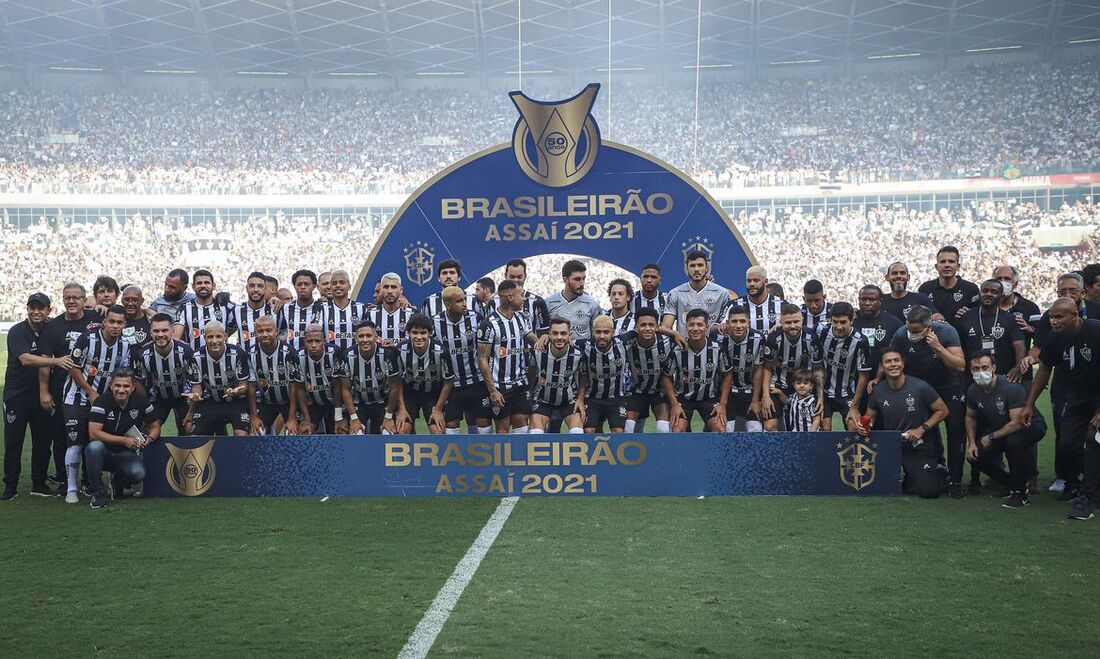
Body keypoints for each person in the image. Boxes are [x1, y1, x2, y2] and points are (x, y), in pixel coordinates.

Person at [1018, 273, 1099, 496]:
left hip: (1097, 393)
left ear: (1075, 315)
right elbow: (1045, 370)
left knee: (1095, 439)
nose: (1054, 321)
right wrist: (1029, 404)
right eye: (1052, 317)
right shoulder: (1054, 336)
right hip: (1074, 395)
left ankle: (1090, 490)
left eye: (1059, 317)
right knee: (1067, 445)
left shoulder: (1095, 330)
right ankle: (1074, 483)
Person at [889, 306, 967, 497]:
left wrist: (938, 347)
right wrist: (878, 378)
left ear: (928, 326)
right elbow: (892, 359)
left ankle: (955, 480)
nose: (911, 334)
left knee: (956, 429)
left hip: (948, 386)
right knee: (923, 430)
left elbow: (960, 365)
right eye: (909, 329)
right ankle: (931, 471)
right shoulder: (901, 334)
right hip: (920, 388)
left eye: (916, 331)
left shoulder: (947, 332)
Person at [3, 293, 71, 500]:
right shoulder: (17, 331)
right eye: (32, 307)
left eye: (41, 308)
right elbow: (25, 359)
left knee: (43, 441)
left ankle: (39, 483)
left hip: (44, 395)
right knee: (14, 442)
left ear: (49, 310)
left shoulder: (52, 329)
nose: (36, 312)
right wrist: (56, 361)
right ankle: (11, 486)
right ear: (27, 309)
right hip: (17, 395)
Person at [61, 305, 132, 501]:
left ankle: (99, 486)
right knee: (75, 444)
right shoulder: (87, 339)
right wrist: (91, 391)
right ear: (104, 322)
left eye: (120, 323)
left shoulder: (125, 346)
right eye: (112, 321)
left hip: (103, 403)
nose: (115, 326)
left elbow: (121, 376)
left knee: (100, 443)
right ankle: (72, 489)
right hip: (76, 399)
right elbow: (73, 368)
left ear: (124, 325)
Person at [860, 347, 950, 499]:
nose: (893, 364)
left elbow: (943, 410)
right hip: (892, 446)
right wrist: (863, 426)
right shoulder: (877, 390)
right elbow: (870, 416)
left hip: (918, 446)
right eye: (888, 361)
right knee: (874, 487)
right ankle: (909, 475)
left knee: (929, 491)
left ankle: (938, 470)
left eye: (896, 360)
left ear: (903, 364)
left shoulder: (920, 387)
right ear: (882, 366)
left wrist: (922, 428)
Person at [37, 282, 101, 489]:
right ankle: (64, 479)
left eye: (76, 297)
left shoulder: (95, 319)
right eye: (67, 298)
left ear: (84, 301)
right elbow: (45, 360)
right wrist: (44, 391)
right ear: (63, 300)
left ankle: (88, 480)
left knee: (90, 434)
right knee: (61, 436)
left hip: (91, 387)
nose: (71, 301)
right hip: (60, 388)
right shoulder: (53, 326)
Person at [965, 352, 1046, 508]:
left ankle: (1020, 493)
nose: (980, 372)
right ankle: (1010, 482)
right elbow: (970, 416)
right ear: (970, 370)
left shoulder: (1011, 388)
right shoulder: (973, 391)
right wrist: (971, 443)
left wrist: (991, 436)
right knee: (975, 456)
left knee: (1013, 442)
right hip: (1003, 427)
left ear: (994, 368)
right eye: (976, 368)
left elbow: (1017, 423)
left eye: (985, 367)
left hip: (1030, 425)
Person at [84, 369, 160, 509]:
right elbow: (94, 433)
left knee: (138, 473)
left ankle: (117, 482)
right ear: (111, 386)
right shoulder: (101, 401)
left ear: (132, 388)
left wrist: (148, 439)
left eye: (126, 386)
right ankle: (98, 493)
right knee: (94, 448)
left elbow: (155, 426)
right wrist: (124, 440)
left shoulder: (141, 401)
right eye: (117, 385)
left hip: (126, 454)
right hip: (103, 452)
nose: (121, 390)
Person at [478, 280, 538, 434]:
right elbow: (482, 359)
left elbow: (530, 337)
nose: (523, 299)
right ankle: (502, 459)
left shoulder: (521, 318)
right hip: (500, 386)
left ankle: (520, 458)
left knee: (522, 425)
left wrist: (549, 342)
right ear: (510, 297)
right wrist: (492, 390)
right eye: (521, 295)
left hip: (520, 384)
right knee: (503, 427)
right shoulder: (489, 324)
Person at [433, 286, 492, 434]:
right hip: (452, 386)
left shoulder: (476, 318)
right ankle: (455, 457)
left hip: (476, 381)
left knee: (484, 423)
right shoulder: (435, 323)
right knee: (451, 425)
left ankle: (486, 457)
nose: (465, 303)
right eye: (459, 301)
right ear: (448, 304)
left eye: (464, 299)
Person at [662, 309, 732, 432]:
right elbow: (666, 376)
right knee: (677, 430)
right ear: (686, 326)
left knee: (720, 430)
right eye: (691, 325)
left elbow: (727, 374)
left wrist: (722, 404)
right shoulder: (677, 350)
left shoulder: (718, 349)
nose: (695, 329)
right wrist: (674, 404)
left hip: (709, 398)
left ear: (707, 327)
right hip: (683, 399)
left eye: (699, 325)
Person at [759, 304, 823, 431]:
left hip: (801, 385)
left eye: (796, 321)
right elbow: (767, 368)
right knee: (770, 426)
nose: (793, 325)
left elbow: (818, 368)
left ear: (802, 320)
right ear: (781, 322)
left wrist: (820, 397)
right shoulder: (773, 339)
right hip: (776, 386)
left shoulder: (811, 337)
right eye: (788, 322)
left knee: (809, 424)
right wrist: (765, 396)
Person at [187, 321, 252, 437]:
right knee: (195, 437)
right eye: (210, 337)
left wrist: (237, 391)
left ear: (225, 336)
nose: (214, 341)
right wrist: (196, 395)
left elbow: (244, 384)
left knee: (241, 434)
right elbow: (196, 386)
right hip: (210, 401)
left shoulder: (238, 354)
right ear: (205, 337)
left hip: (235, 402)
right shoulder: (196, 357)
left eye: (219, 336)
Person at [133, 313, 195, 435]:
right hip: (158, 398)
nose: (160, 334)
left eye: (164, 330)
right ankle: (145, 454)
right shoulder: (143, 354)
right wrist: (144, 409)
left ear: (172, 331)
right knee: (146, 430)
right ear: (150, 332)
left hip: (183, 396)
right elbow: (140, 384)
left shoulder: (186, 352)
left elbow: (195, 381)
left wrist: (192, 410)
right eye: (156, 331)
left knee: (190, 429)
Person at [814, 302, 870, 431]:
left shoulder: (860, 341)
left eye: (843, 322)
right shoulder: (820, 330)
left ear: (852, 320)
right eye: (835, 321)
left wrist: (854, 407)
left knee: (854, 426)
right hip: (824, 391)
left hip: (845, 392)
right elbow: (801, 330)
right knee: (825, 427)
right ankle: (825, 452)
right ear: (830, 320)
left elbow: (863, 376)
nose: (839, 326)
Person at [392, 314, 452, 434]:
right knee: (402, 431)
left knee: (438, 432)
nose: (419, 337)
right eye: (415, 332)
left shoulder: (441, 351)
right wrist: (402, 409)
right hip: (410, 393)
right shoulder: (400, 349)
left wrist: (438, 410)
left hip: (433, 394)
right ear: (408, 333)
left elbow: (448, 382)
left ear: (429, 333)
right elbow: (396, 381)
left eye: (423, 333)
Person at [337, 320, 399, 435]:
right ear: (356, 338)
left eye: (369, 336)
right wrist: (354, 418)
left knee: (388, 433)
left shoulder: (387, 354)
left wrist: (389, 417)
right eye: (361, 336)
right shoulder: (347, 356)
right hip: (360, 403)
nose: (365, 340)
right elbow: (345, 389)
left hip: (383, 403)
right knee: (356, 434)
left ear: (376, 337)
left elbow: (395, 388)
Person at [957, 280, 1025, 380]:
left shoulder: (1010, 319)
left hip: (1002, 376)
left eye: (994, 292)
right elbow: (958, 347)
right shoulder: (966, 316)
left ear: (1002, 296)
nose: (988, 294)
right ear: (979, 294)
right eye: (985, 291)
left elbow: (1019, 347)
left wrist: (1018, 367)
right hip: (972, 376)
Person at [246, 315, 303, 435]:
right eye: (260, 331)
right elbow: (251, 387)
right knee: (255, 434)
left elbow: (294, 387)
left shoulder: (289, 352)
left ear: (276, 331)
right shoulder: (251, 354)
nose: (265, 334)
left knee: (293, 433)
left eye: (268, 330)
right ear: (255, 333)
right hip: (266, 403)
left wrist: (292, 418)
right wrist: (254, 417)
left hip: (288, 402)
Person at [529, 318, 587, 434]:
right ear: (549, 334)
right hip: (542, 401)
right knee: (536, 434)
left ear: (569, 335)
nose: (559, 337)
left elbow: (583, 375)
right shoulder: (537, 352)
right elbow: (530, 374)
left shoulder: (578, 355)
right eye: (555, 333)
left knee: (577, 433)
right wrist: (528, 397)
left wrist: (580, 399)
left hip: (568, 401)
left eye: (563, 333)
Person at [624, 308, 675, 433]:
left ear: (657, 327)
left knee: (663, 429)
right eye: (643, 325)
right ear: (636, 327)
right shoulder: (628, 344)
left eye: (651, 325)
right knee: (628, 428)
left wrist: (676, 334)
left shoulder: (668, 342)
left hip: (659, 391)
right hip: (636, 390)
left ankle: (661, 452)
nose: (647, 328)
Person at [578, 315, 631, 434]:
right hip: (592, 399)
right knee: (589, 431)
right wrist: (544, 337)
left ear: (613, 332)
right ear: (592, 332)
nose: (602, 336)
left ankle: (616, 453)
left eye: (606, 332)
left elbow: (641, 331)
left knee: (618, 431)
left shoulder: (623, 342)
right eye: (598, 332)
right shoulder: (584, 345)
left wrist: (675, 334)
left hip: (616, 398)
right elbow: (564, 340)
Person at [662, 251, 730, 336]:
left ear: (707, 268)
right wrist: (676, 335)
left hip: (713, 347)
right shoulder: (675, 293)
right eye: (692, 265)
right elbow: (666, 327)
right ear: (687, 268)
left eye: (700, 265)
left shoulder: (722, 293)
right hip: (684, 345)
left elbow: (725, 324)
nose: (696, 269)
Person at [719, 305, 764, 432]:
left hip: (749, 391)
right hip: (726, 393)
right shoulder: (719, 339)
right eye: (734, 321)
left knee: (755, 429)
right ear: (727, 323)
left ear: (749, 323)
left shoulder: (757, 339)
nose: (738, 325)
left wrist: (756, 400)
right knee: (726, 429)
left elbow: (758, 369)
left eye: (742, 321)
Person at [918, 246, 981, 335]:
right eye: (943, 262)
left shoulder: (971, 289)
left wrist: (969, 314)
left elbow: (980, 317)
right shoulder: (925, 288)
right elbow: (918, 316)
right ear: (936, 266)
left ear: (958, 266)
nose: (947, 265)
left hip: (962, 342)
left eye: (951, 261)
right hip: (930, 341)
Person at [296, 324, 345, 434]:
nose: (313, 345)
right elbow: (299, 389)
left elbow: (338, 385)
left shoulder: (335, 352)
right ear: (304, 342)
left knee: (341, 430)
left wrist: (338, 416)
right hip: (312, 404)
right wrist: (307, 419)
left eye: (317, 341)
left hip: (335, 403)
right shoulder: (298, 356)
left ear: (324, 341)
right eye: (310, 341)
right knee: (304, 431)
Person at [174, 269, 236, 351]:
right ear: (193, 287)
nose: (203, 285)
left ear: (213, 286)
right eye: (199, 283)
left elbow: (239, 321)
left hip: (221, 358)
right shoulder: (185, 308)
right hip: (194, 359)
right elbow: (175, 337)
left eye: (206, 282)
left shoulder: (226, 306)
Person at [852, 285, 903, 380]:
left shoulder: (893, 323)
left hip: (883, 380)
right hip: (853, 378)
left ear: (880, 301)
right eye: (863, 299)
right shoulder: (851, 320)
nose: (867, 303)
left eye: (872, 300)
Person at [545, 260, 602, 340]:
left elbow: (597, 334)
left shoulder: (592, 305)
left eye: (583, 279)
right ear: (565, 280)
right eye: (577, 279)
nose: (582, 283)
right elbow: (543, 334)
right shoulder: (549, 303)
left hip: (583, 352)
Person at [320, 270, 368, 353]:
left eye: (342, 282)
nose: (338, 285)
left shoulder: (362, 308)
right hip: (330, 359)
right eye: (334, 283)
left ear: (349, 287)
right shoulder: (322, 309)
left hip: (355, 358)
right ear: (331, 287)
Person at [502, 259, 550, 336]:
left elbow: (544, 333)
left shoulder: (537, 302)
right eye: (512, 277)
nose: (516, 280)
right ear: (505, 276)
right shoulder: (494, 302)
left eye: (519, 277)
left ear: (525, 276)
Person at [232, 272, 275, 353]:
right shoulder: (236, 310)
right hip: (246, 362)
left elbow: (284, 333)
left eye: (260, 286)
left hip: (271, 361)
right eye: (252, 286)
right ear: (246, 288)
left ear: (265, 289)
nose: (255, 289)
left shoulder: (275, 309)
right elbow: (225, 333)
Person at [281, 269, 323, 351]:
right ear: (294, 286)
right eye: (299, 284)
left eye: (307, 284)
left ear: (314, 286)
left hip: (314, 358)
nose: (303, 287)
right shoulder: (285, 308)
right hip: (292, 357)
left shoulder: (322, 308)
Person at [369, 273, 414, 347]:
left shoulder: (412, 314)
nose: (389, 291)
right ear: (381, 290)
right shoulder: (370, 314)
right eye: (386, 287)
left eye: (393, 287)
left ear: (401, 290)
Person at [743, 265, 784, 334]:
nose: (752, 284)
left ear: (766, 282)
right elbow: (720, 326)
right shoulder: (734, 304)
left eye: (756, 280)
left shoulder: (782, 304)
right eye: (749, 281)